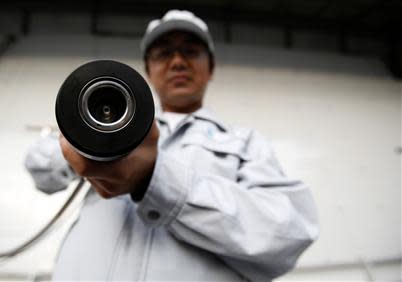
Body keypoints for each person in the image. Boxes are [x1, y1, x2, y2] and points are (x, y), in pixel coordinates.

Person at [25, 9, 319, 281]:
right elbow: (39, 169)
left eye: (191, 52)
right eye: (164, 53)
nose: (178, 61)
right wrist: (86, 145)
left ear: (211, 68)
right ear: (149, 71)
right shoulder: (101, 125)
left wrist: (155, 180)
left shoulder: (245, 143)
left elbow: (288, 234)